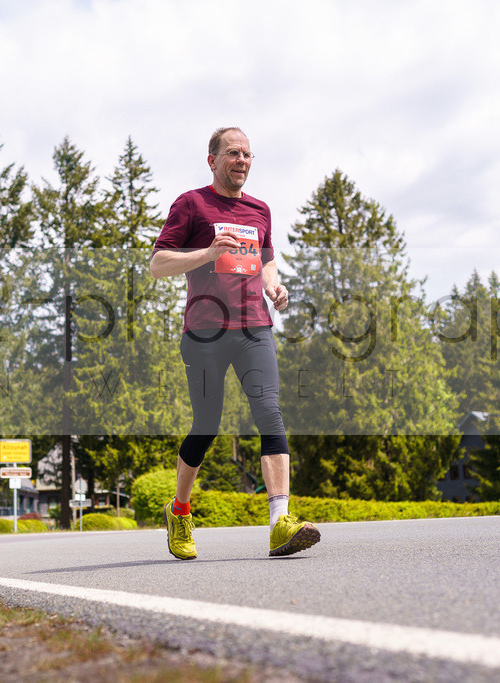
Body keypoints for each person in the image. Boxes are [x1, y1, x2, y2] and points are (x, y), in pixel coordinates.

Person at [150, 126, 321, 559]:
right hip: (204, 331)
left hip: (253, 328)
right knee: (206, 425)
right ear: (213, 160)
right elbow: (157, 264)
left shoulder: (261, 210)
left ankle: (280, 522)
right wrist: (206, 253)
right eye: (232, 152)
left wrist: (274, 288)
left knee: (269, 410)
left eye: (247, 154)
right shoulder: (191, 204)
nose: (241, 160)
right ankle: (181, 510)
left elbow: (266, 262)